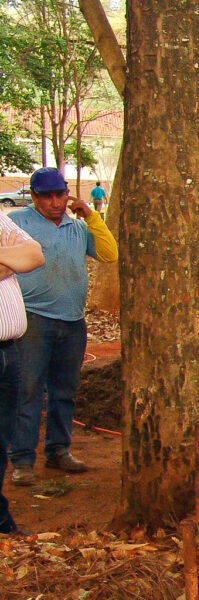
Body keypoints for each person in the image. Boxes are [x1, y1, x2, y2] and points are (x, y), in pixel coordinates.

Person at [9, 167, 117, 486]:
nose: (55, 202)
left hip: (72, 320)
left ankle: (59, 450)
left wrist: (92, 217)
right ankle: (22, 460)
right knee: (28, 391)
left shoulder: (78, 226)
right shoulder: (18, 223)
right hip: (33, 319)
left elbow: (109, 254)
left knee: (64, 390)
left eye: (60, 195)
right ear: (34, 196)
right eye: (46, 197)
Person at [0, 211, 44, 534]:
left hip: (8, 351)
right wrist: (8, 258)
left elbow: (34, 255)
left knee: (1, 438)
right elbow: (19, 259)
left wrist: (12, 259)